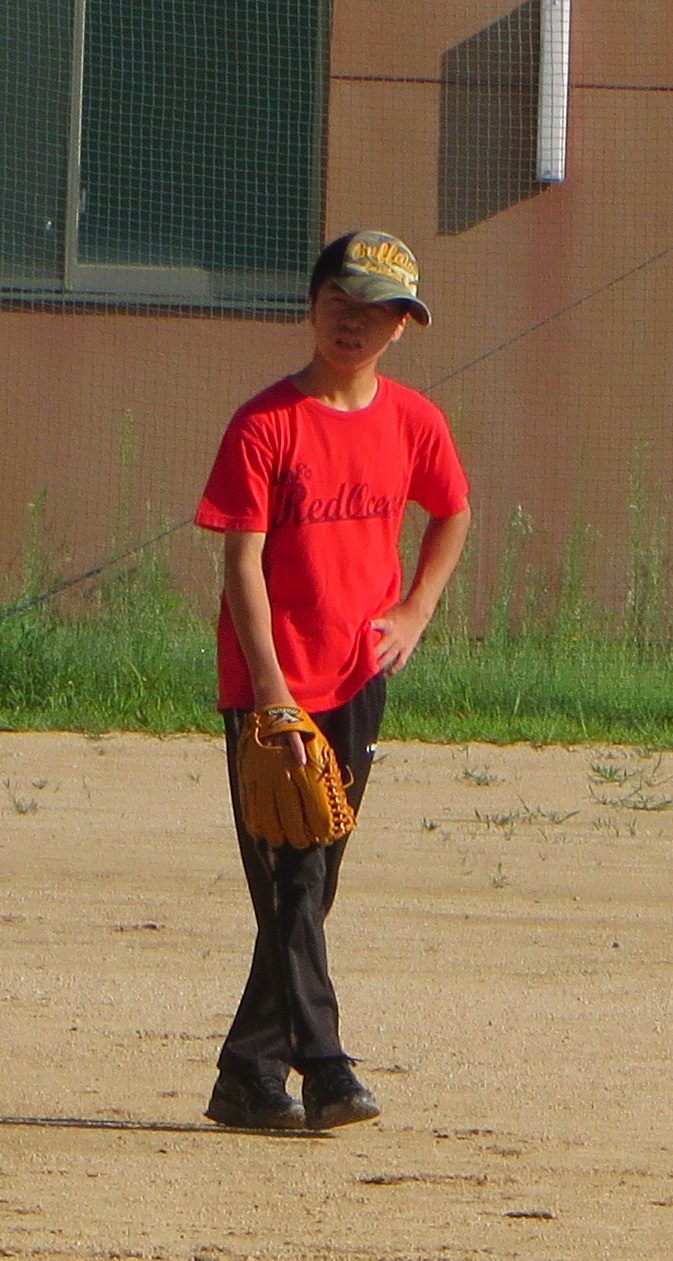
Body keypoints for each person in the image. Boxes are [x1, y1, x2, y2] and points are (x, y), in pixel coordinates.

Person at [194, 228, 470, 1131]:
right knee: (289, 880)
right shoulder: (265, 423)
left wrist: (415, 610)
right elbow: (241, 564)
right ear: (311, 304)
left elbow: (452, 510)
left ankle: (247, 1074)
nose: (355, 323)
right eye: (341, 302)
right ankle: (325, 1064)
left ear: (402, 327)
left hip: (356, 677)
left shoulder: (412, 421)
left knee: (312, 880)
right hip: (271, 688)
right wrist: (270, 695)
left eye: (377, 311)